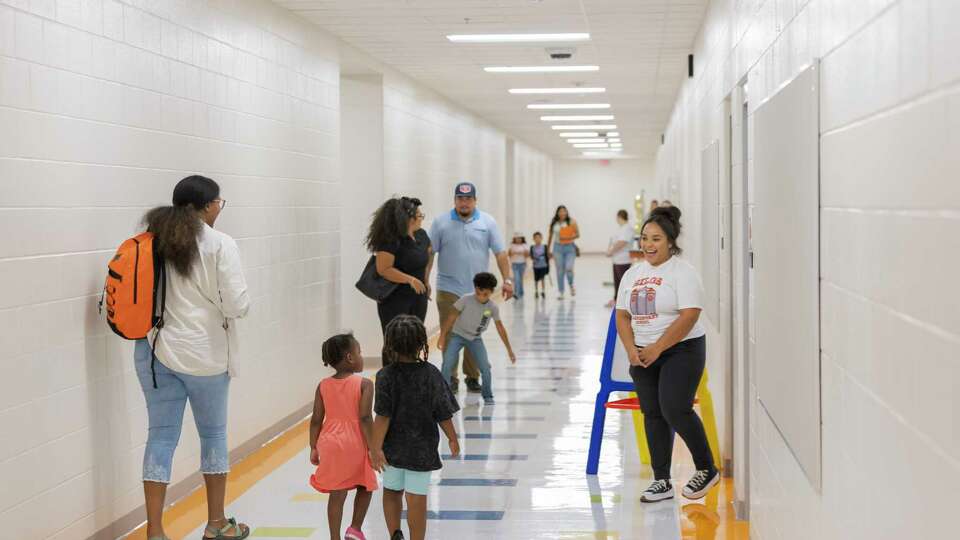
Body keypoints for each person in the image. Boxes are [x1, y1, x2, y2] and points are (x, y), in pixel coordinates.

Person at [135, 175, 251, 540]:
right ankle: (216, 524)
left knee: (160, 437)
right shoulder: (219, 244)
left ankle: (155, 531)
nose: (220, 209)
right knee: (213, 435)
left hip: (155, 352)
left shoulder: (151, 242)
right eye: (219, 203)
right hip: (206, 356)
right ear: (206, 206)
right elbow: (237, 304)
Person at [615, 206, 719, 504]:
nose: (648, 245)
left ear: (671, 242)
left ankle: (706, 468)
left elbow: (689, 315)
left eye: (656, 239)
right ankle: (661, 480)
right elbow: (622, 315)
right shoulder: (633, 274)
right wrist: (631, 350)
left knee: (675, 408)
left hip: (681, 350)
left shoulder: (683, 272)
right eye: (645, 238)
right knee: (653, 413)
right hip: (643, 352)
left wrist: (657, 347)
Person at [370, 316, 461, 540]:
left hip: (392, 448)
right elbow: (443, 411)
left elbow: (382, 416)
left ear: (390, 344)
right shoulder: (431, 374)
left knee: (391, 491)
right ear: (421, 343)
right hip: (422, 447)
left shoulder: (385, 376)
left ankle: (395, 534)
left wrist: (375, 448)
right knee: (416, 497)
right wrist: (452, 437)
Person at [429, 182, 514, 393]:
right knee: (449, 333)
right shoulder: (441, 222)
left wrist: (508, 280)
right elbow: (430, 253)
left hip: (478, 292)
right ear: (454, 200)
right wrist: (424, 280)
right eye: (460, 198)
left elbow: (501, 253)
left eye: (468, 199)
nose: (464, 203)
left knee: (472, 334)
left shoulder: (487, 222)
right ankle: (450, 377)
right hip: (448, 287)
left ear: (475, 200)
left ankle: (472, 376)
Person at [309, 334, 378, 540]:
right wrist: (374, 446)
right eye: (359, 352)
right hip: (355, 440)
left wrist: (313, 446)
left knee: (337, 492)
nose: (361, 356)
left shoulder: (323, 385)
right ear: (350, 357)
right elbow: (365, 417)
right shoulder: (365, 384)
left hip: (329, 441)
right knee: (366, 484)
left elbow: (316, 419)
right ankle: (355, 528)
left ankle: (334, 537)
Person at [365, 196, 432, 364]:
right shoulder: (391, 240)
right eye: (418, 215)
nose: (421, 218)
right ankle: (390, 381)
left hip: (418, 296)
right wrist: (409, 279)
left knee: (415, 339)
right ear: (408, 218)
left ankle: (410, 378)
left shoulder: (421, 235)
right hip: (394, 298)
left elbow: (429, 255)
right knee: (394, 342)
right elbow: (384, 269)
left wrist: (425, 279)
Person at [438, 273, 517, 405]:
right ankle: (444, 395)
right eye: (478, 293)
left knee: (485, 368)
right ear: (475, 288)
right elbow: (451, 317)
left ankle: (487, 395)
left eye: (485, 294)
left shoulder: (492, 308)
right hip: (458, 336)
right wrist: (442, 336)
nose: (481, 297)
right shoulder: (465, 300)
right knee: (447, 364)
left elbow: (501, 329)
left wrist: (509, 350)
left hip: (475, 339)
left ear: (491, 292)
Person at [547, 205, 580, 299]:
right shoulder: (554, 223)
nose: (562, 213)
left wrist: (568, 238)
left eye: (564, 211)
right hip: (557, 248)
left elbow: (578, 234)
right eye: (560, 211)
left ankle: (571, 284)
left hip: (570, 248)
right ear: (557, 213)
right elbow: (550, 236)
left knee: (569, 268)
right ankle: (561, 291)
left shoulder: (572, 221)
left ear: (566, 212)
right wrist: (548, 250)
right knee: (560, 271)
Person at [606, 209, 636, 308]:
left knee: (623, 283)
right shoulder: (622, 228)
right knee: (617, 282)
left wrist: (611, 251)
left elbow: (622, 242)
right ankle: (616, 300)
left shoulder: (627, 228)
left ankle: (625, 303)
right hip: (617, 260)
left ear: (619, 217)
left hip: (623, 260)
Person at [508, 233, 529, 300]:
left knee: (520, 279)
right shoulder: (512, 245)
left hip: (522, 264)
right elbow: (509, 254)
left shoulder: (524, 245)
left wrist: (522, 253)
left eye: (520, 238)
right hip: (515, 264)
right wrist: (514, 253)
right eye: (517, 238)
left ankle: (521, 291)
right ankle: (516, 293)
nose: (518, 240)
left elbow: (527, 255)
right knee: (516, 279)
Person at [530, 232, 549, 299]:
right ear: (534, 239)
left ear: (541, 238)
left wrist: (547, 266)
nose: (537, 239)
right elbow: (531, 256)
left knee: (542, 278)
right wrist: (535, 258)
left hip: (543, 265)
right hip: (536, 266)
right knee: (536, 279)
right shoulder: (532, 247)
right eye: (536, 238)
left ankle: (543, 291)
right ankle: (536, 291)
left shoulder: (544, 247)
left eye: (539, 238)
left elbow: (547, 256)